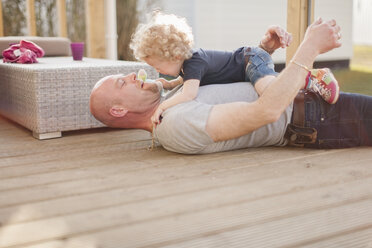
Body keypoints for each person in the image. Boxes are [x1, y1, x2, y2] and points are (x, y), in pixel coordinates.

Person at [90, 18, 372, 154]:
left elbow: (228, 77)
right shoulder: (174, 123)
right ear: (118, 110)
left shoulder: (175, 96)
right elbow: (267, 111)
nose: (131, 76)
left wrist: (263, 51)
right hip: (315, 119)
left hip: (311, 105)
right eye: (121, 82)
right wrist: (310, 46)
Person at [129, 12, 340, 126]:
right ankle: (309, 85)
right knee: (271, 86)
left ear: (175, 56)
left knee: (269, 91)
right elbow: (187, 81)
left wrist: (162, 107)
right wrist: (170, 83)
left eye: (158, 66)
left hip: (250, 60)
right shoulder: (188, 66)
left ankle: (313, 76)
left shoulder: (193, 62)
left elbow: (189, 93)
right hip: (248, 60)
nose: (159, 70)